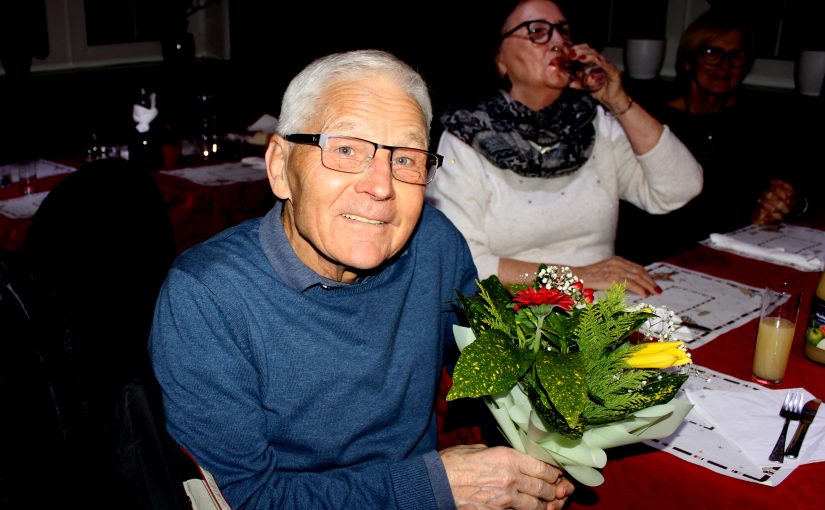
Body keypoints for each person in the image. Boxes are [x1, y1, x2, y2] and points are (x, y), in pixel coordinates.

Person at [149, 49, 574, 510]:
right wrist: (434, 488)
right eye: (346, 150)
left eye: (406, 158)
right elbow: (244, 500)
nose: (381, 186)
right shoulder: (207, 297)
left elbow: (497, 376)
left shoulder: (435, 244)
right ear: (280, 167)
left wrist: (534, 460)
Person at [425, 0, 702, 297]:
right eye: (537, 31)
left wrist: (619, 101)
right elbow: (462, 261)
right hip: (509, 311)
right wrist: (576, 277)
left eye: (563, 31)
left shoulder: (594, 124)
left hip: (598, 304)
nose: (558, 41)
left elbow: (679, 189)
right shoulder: (467, 135)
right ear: (500, 59)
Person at [616, 7, 803, 264]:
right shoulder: (653, 122)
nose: (724, 65)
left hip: (728, 253)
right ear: (688, 61)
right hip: (655, 254)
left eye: (735, 56)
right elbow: (644, 213)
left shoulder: (755, 123)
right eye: (712, 54)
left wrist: (780, 205)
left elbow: (786, 189)